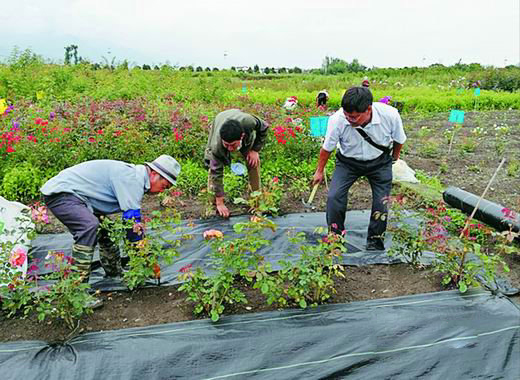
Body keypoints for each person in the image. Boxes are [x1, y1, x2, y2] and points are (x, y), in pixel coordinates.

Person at [41, 155, 181, 282]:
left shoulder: (135, 176)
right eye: (163, 186)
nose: (161, 192)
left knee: (106, 230)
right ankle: (77, 287)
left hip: (82, 199)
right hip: (61, 194)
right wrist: (149, 262)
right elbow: (132, 228)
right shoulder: (133, 179)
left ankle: (114, 273)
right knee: (89, 226)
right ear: (154, 174)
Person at [312, 87, 406, 251]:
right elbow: (327, 148)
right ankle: (336, 239)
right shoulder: (338, 119)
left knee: (381, 203)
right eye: (347, 115)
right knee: (334, 197)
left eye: (354, 116)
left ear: (368, 109)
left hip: (379, 162)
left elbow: (399, 140)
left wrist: (394, 158)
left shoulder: (390, 115)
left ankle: (375, 242)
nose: (349, 119)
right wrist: (319, 171)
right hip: (348, 163)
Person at [204, 109, 268, 218]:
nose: (229, 148)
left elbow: (264, 127)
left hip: (239, 120)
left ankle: (256, 201)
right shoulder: (217, 146)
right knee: (213, 166)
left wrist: (255, 150)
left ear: (242, 136)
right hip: (220, 118)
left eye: (233, 145)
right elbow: (216, 172)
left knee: (253, 161)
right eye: (226, 145)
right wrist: (220, 202)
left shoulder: (249, 122)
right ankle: (212, 204)